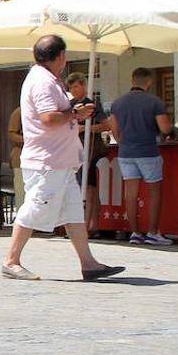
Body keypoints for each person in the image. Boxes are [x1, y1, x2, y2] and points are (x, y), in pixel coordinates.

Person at [1, 35, 125, 282]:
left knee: (72, 212)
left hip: (60, 161)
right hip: (47, 161)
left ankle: (88, 263)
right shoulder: (42, 82)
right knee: (35, 207)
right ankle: (11, 260)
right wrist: (73, 113)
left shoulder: (48, 80)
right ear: (60, 56)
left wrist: (74, 114)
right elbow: (48, 118)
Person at [108, 67, 174, 245]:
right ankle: (153, 232)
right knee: (154, 191)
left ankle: (135, 232)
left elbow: (114, 130)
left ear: (132, 80)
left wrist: (123, 141)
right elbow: (165, 128)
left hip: (125, 152)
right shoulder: (154, 102)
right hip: (148, 150)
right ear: (149, 82)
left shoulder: (117, 103)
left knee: (131, 193)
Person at [64, 71, 110, 235]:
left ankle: (87, 224)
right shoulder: (68, 105)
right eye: (71, 87)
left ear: (83, 86)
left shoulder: (91, 104)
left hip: (88, 150)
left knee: (88, 187)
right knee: (83, 186)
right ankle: (93, 225)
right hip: (73, 150)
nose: (74, 90)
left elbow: (106, 126)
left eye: (76, 86)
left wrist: (86, 128)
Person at [7, 108, 25, 209]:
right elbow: (11, 134)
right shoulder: (19, 111)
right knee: (21, 193)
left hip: (46, 160)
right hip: (21, 157)